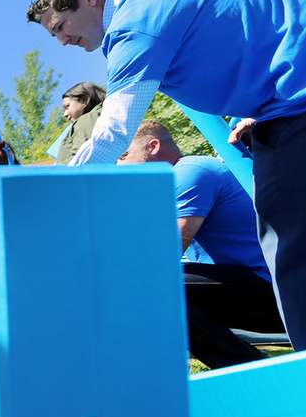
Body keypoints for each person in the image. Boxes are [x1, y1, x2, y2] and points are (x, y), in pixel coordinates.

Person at [28, 0, 306, 351]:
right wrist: (259, 108)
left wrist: (49, 202)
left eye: (60, 27)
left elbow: (113, 133)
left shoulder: (135, 23)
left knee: (291, 248)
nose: (62, 40)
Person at [118, 121, 284, 368]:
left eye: (123, 155)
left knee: (153, 284)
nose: (117, 164)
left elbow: (167, 252)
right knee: (142, 286)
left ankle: (250, 369)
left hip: (272, 291)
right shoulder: (171, 185)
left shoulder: (191, 171)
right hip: (247, 290)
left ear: (152, 146)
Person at [54, 81, 106, 163]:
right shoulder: (104, 115)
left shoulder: (85, 121)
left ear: (84, 100)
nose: (65, 114)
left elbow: (79, 161)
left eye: (67, 106)